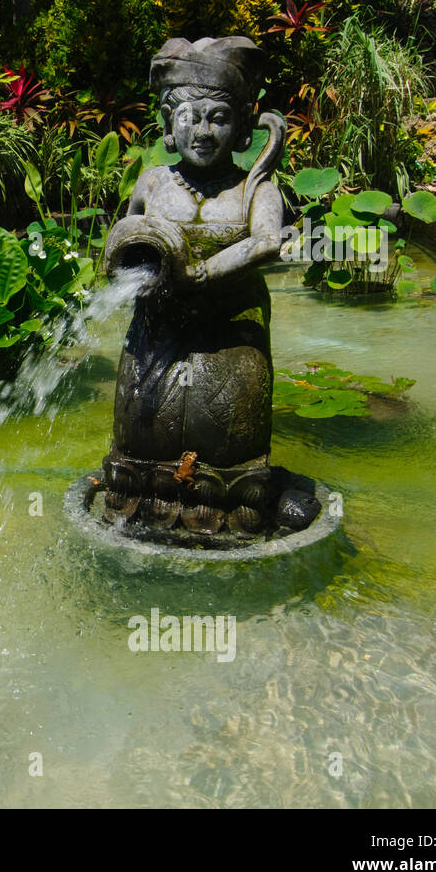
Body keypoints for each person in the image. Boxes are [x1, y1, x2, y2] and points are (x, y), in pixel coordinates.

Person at [101, 36, 285, 535]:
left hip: (229, 333)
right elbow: (125, 232)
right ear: (167, 122)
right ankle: (137, 483)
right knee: (137, 443)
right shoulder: (153, 182)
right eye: (188, 116)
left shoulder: (255, 189)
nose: (203, 131)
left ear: (243, 126)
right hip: (157, 334)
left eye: (219, 118)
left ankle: (234, 491)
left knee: (227, 454)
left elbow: (268, 243)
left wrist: (199, 273)